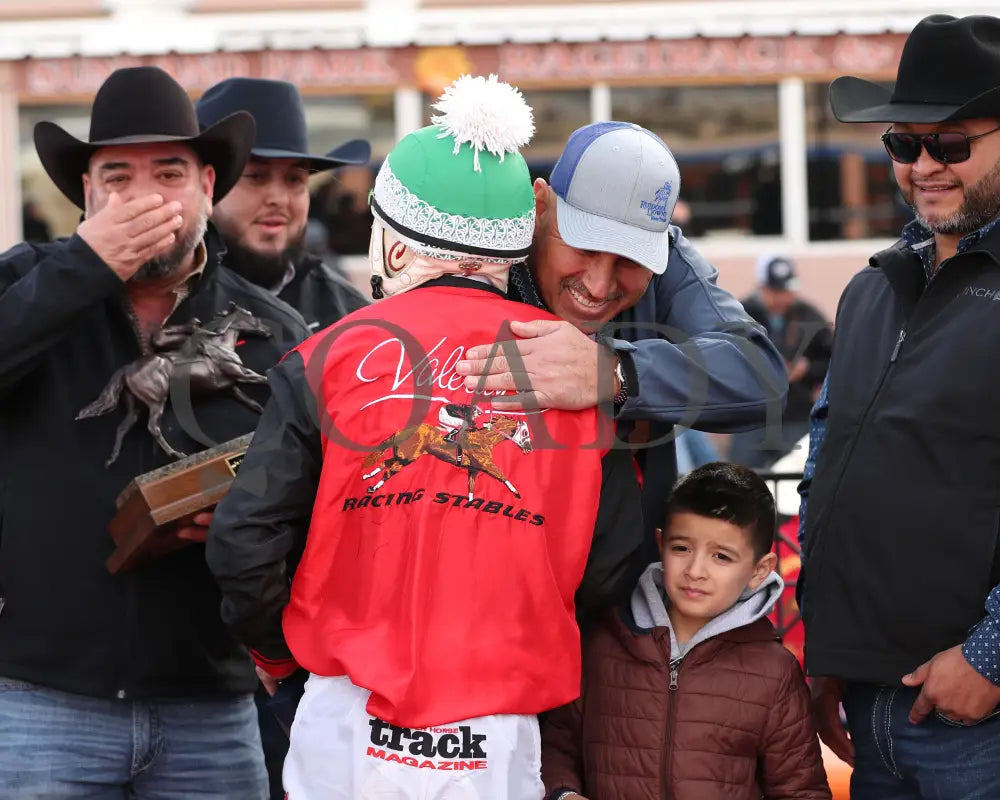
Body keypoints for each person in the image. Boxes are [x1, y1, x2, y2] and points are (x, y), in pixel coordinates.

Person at [206, 75, 644, 799]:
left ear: (396, 241)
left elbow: (243, 541)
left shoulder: (323, 358)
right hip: (498, 728)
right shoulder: (576, 371)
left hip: (345, 713)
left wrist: (283, 663)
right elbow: (608, 566)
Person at [0, 66, 309, 798]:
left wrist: (250, 522)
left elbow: (317, 502)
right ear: (85, 195)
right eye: (117, 176)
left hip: (212, 706)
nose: (143, 196)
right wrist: (85, 268)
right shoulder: (27, 284)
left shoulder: (273, 329)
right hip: (41, 701)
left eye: (168, 172)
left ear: (208, 185)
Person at [798, 14, 1000, 800]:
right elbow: (827, 459)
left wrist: (988, 660)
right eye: (903, 144)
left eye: (951, 144)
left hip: (975, 724)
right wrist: (827, 649)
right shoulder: (873, 285)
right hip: (867, 706)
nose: (924, 166)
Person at [455, 121, 788, 557]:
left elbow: (759, 375)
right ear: (540, 204)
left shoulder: (669, 258)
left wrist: (613, 372)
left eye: (630, 260)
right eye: (584, 247)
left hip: (621, 597)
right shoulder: (477, 251)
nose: (598, 285)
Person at [541, 462, 831, 800]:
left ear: (759, 570)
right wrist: (563, 794)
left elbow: (801, 790)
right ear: (661, 544)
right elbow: (556, 747)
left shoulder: (775, 671)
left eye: (721, 557)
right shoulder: (602, 644)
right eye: (682, 549)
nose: (696, 571)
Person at [196, 77, 371, 332]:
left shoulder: (347, 315)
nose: (279, 199)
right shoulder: (160, 302)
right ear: (206, 185)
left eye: (295, 179)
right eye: (256, 177)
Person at [730, 254, 832, 467]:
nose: (783, 298)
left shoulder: (809, 315)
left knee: (798, 474)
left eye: (787, 291)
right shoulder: (739, 314)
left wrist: (807, 370)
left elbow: (832, 358)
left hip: (794, 414)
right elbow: (725, 360)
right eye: (776, 291)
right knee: (743, 476)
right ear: (761, 288)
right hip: (751, 416)